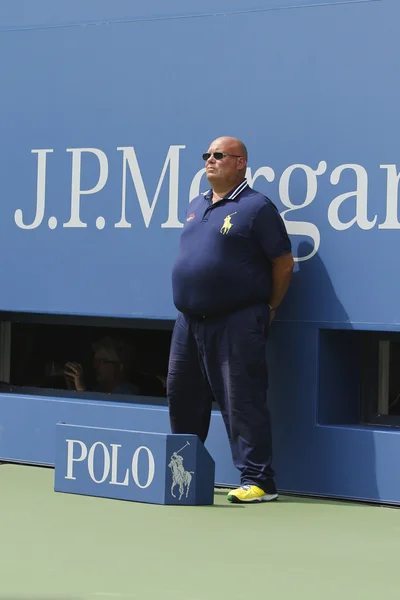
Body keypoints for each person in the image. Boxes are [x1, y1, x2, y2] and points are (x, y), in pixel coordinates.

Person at [167, 136, 294, 504]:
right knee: (181, 397)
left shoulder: (257, 207)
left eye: (218, 155)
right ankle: (185, 476)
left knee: (242, 399)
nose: (209, 159)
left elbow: (283, 263)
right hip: (188, 321)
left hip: (237, 320)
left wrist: (268, 308)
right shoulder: (196, 205)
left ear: (240, 163)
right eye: (206, 154)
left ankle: (259, 481)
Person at [64, 336, 139, 396]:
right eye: (96, 361)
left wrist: (82, 390)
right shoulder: (98, 390)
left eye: (102, 361)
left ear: (120, 367)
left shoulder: (128, 394)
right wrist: (73, 389)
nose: (96, 366)